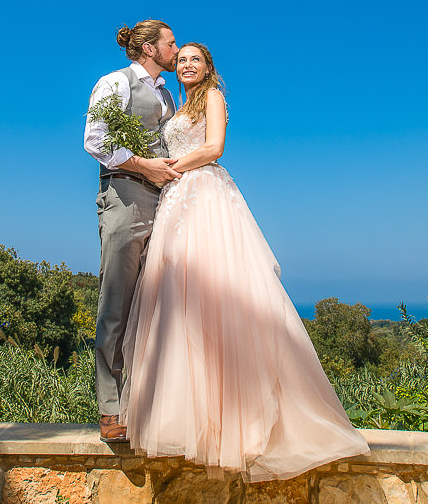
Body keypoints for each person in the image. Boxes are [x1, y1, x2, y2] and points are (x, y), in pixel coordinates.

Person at [119, 42, 370, 481]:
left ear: (208, 67)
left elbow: (215, 147)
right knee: (181, 300)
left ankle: (241, 419)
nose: (187, 64)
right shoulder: (176, 106)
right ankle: (195, 416)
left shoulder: (213, 97)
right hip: (177, 200)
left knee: (220, 292)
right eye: (181, 60)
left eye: (194, 59)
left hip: (204, 195)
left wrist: (172, 166)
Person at [83, 19, 182, 442]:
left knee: (156, 306)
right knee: (117, 302)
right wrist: (145, 166)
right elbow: (95, 140)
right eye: (171, 43)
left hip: (166, 204)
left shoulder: (168, 95)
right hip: (125, 196)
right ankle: (111, 410)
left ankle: (147, 405)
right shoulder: (115, 83)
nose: (176, 50)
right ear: (149, 48)